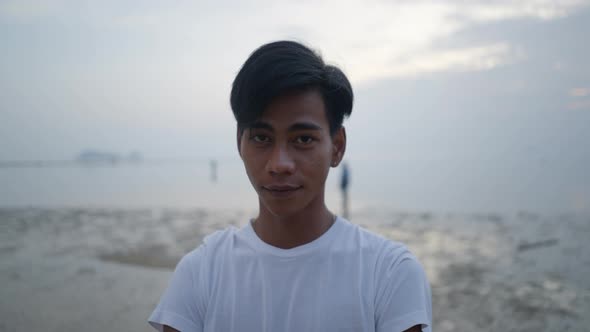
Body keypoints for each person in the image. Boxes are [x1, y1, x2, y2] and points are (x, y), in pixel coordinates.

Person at [148, 40, 432, 332]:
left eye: (303, 139)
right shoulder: (202, 272)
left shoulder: (388, 273)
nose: (279, 163)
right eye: (261, 137)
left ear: (337, 147)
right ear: (239, 142)